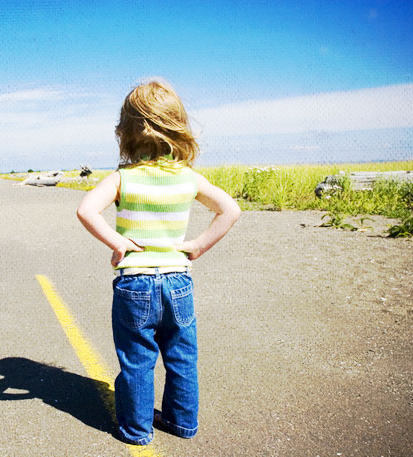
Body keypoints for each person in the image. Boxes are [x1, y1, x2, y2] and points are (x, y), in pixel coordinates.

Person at [76, 78, 240, 445]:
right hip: (178, 281)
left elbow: (86, 211)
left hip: (135, 282)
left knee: (137, 359)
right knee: (181, 356)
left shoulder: (122, 178)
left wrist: (118, 242)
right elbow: (230, 209)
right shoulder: (188, 178)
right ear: (178, 127)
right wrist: (196, 245)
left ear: (126, 131)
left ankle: (136, 429)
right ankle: (182, 422)